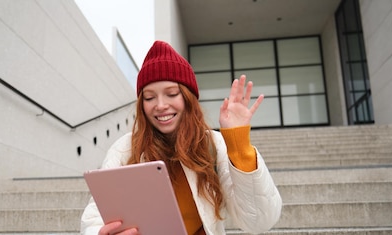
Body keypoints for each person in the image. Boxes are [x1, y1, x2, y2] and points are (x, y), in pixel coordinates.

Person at [80, 40, 282, 235]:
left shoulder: (213, 145)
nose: (160, 105)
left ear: (188, 98)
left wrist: (239, 145)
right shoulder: (125, 148)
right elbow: (95, 216)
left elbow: (259, 221)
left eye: (171, 93)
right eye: (149, 97)